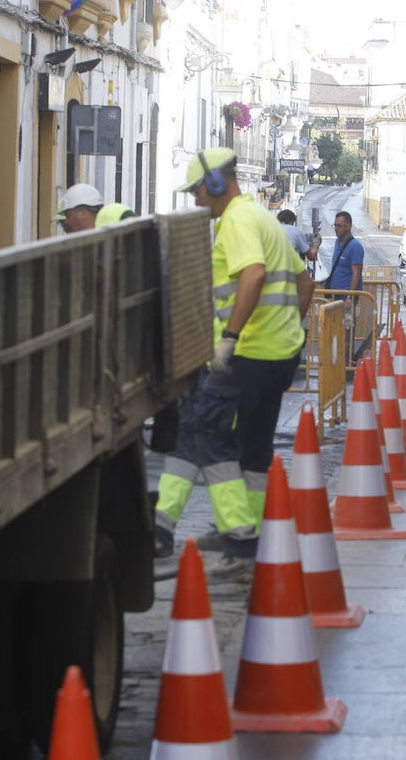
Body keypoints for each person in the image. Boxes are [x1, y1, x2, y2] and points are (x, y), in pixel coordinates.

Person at [155, 147, 315, 580]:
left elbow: (254, 274)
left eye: (197, 191)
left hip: (246, 354)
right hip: (279, 355)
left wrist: (229, 337)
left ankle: (240, 539)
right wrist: (291, 328)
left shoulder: (237, 222)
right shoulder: (263, 217)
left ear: (216, 183)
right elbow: (304, 282)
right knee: (254, 448)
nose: (195, 200)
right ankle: (253, 530)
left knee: (209, 435)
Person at [322, 211, 363, 293]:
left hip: (346, 294)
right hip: (335, 293)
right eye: (335, 225)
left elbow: (356, 273)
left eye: (339, 226)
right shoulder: (337, 242)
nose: (336, 228)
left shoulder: (355, 246)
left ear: (348, 227)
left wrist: (350, 296)